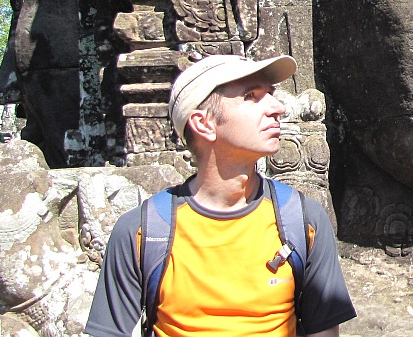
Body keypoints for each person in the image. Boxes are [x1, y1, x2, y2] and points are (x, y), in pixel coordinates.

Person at [85, 54, 356, 337]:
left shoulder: (302, 221)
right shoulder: (143, 232)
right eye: (252, 96)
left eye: (272, 95)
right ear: (204, 124)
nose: (278, 108)